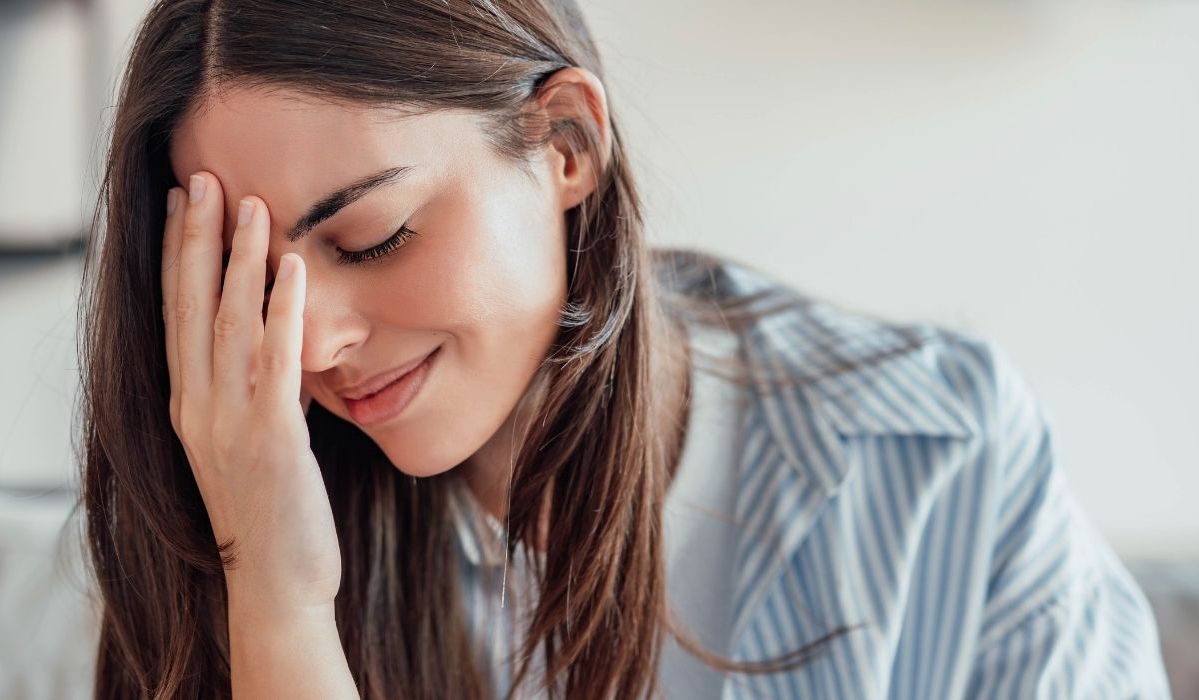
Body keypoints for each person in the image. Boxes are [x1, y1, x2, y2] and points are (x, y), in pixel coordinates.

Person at [76, 1, 1172, 698]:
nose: (313, 343)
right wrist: (275, 597)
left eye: (374, 235)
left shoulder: (936, 453)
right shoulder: (238, 502)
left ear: (566, 144)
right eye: (255, 284)